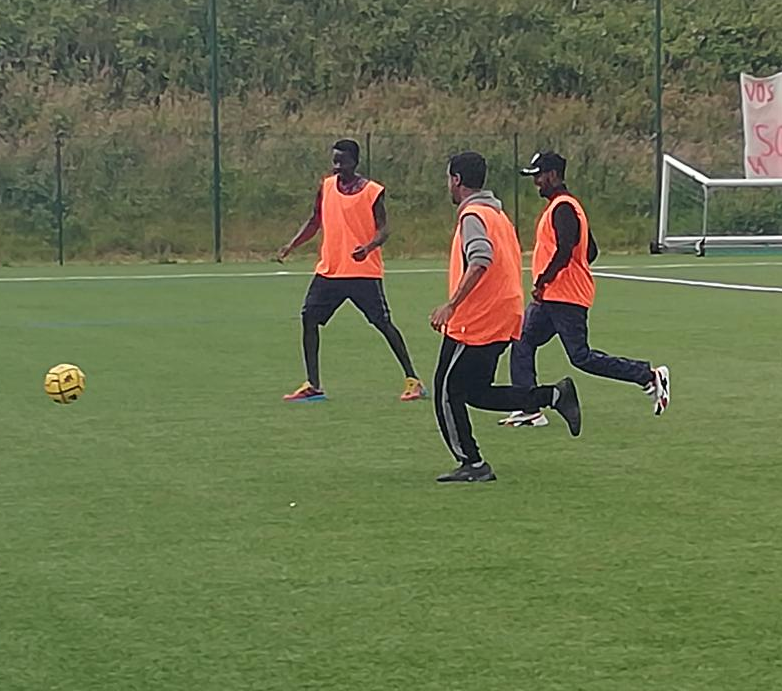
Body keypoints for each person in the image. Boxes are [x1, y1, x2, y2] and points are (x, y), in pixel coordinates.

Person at [428, 151, 581, 482]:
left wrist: (451, 304)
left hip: (476, 320)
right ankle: (554, 396)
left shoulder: (472, 215)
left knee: (444, 389)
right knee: (476, 392)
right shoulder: (498, 215)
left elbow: (480, 258)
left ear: (456, 180)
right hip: (504, 315)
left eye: (448, 179)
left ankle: (472, 463)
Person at [500, 150, 669, 428]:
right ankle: (529, 407)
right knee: (522, 340)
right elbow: (590, 250)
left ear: (553, 175)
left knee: (581, 357)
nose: (536, 182)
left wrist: (544, 280)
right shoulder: (566, 206)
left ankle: (648, 375)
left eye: (539, 176)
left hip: (563, 297)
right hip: (555, 296)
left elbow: (567, 250)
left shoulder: (564, 208)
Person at [274, 139, 424, 403]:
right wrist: (292, 244)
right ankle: (313, 384)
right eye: (334, 160)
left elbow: (384, 229)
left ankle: (413, 380)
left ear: (355, 162)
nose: (337, 166)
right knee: (309, 317)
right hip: (330, 271)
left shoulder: (372, 191)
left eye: (342, 161)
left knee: (383, 323)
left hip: (362, 273)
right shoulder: (327, 186)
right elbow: (315, 220)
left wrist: (368, 247)